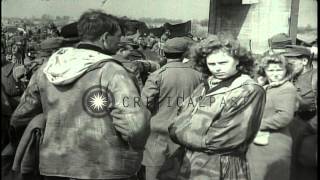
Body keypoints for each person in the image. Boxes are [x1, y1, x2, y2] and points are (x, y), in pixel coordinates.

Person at [9, 10, 150, 180]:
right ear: (105, 38)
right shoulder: (113, 71)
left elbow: (20, 117)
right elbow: (135, 127)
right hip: (106, 169)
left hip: (54, 166)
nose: (120, 42)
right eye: (118, 37)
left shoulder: (46, 69)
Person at [168, 35, 266, 180]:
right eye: (212, 64)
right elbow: (180, 117)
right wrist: (180, 130)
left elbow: (220, 139)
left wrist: (180, 133)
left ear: (238, 60)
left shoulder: (248, 90)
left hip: (221, 165)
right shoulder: (205, 85)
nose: (217, 68)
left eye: (223, 62)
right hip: (190, 162)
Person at [141, 37, 203, 180]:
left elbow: (144, 105)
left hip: (158, 137)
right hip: (186, 135)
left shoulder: (158, 75)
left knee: (154, 174)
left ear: (163, 53)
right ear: (184, 55)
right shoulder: (198, 76)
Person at [247, 54, 297, 180]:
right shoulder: (267, 87)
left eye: (279, 70)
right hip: (259, 142)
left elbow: (284, 117)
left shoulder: (286, 88)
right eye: (270, 70)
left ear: (287, 71)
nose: (275, 74)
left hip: (273, 144)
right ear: (264, 71)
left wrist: (254, 125)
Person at [283, 45, 317, 180]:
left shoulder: (315, 77)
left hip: (309, 129)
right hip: (292, 125)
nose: (288, 67)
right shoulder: (291, 77)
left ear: (304, 61)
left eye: (291, 63)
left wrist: (308, 128)